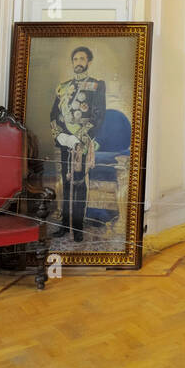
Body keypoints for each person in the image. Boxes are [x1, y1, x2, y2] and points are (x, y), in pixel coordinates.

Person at [49, 46, 106, 242]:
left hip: (82, 142)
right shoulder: (63, 87)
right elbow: (54, 116)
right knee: (66, 183)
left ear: (89, 62)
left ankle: (78, 227)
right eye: (75, 59)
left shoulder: (97, 86)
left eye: (82, 59)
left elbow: (99, 116)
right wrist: (62, 137)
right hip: (66, 142)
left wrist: (80, 137)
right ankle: (65, 226)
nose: (78, 62)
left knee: (79, 184)